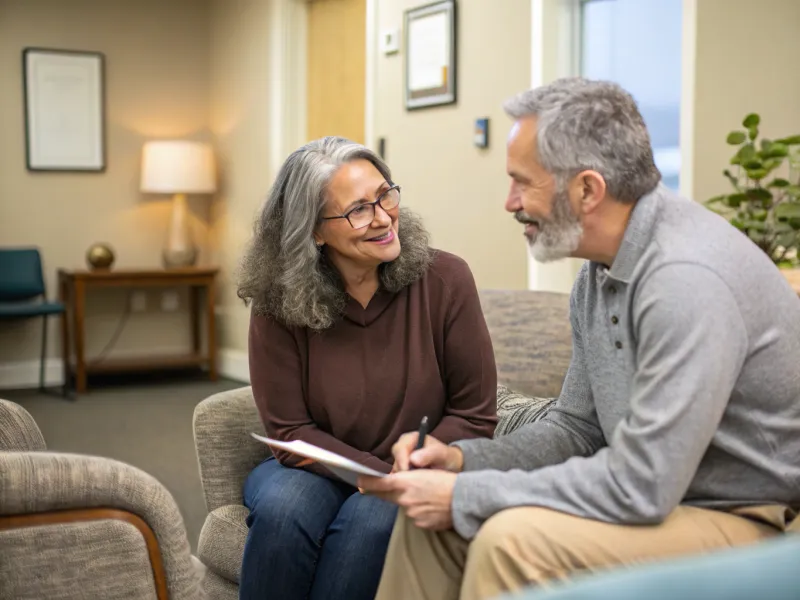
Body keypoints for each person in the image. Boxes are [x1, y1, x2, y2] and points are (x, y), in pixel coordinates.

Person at [359, 77, 800, 600]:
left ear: (587, 190)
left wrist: (465, 493)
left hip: (751, 519)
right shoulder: (598, 274)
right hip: (664, 498)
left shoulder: (685, 279)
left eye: (522, 183)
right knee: (430, 522)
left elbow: (642, 485)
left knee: (508, 540)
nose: (508, 202)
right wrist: (461, 461)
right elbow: (575, 429)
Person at [236, 136, 498, 600]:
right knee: (283, 510)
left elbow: (475, 414)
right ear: (314, 231)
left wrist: (403, 471)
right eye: (359, 209)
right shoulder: (278, 301)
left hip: (411, 470)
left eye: (385, 195)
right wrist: (370, 472)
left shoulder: (447, 280)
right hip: (310, 468)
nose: (383, 217)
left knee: (373, 521)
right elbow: (289, 429)